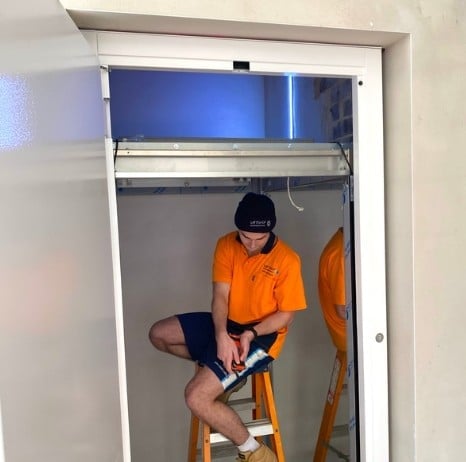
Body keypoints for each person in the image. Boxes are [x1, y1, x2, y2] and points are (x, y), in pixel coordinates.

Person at [149, 192, 307, 462]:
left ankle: (255, 452)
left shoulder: (287, 259)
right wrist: (221, 335)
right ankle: (226, 372)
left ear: (270, 231)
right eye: (246, 236)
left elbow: (286, 316)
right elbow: (220, 295)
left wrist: (250, 333)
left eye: (260, 238)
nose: (252, 244)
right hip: (228, 323)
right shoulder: (225, 244)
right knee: (159, 334)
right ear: (237, 230)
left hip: (262, 335)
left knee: (196, 398)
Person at [318, 227, 347, 352]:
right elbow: (343, 310)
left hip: (347, 337)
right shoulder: (341, 253)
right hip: (350, 337)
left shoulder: (342, 243)